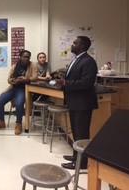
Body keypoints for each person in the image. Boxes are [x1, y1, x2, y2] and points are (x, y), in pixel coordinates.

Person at [55, 36, 98, 170]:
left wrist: (66, 83)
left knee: (82, 133)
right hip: (74, 102)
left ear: (82, 46)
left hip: (83, 103)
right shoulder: (77, 59)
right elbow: (74, 79)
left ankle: (82, 162)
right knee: (76, 132)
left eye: (75, 43)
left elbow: (87, 82)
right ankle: (76, 156)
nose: (72, 44)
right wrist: (62, 83)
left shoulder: (88, 61)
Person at [0, 50, 38, 135]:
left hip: (24, 89)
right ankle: (1, 122)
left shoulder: (32, 65)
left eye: (28, 57)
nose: (26, 59)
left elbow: (35, 77)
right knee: (0, 101)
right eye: (24, 57)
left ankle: (19, 124)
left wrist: (26, 79)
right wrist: (14, 81)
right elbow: (9, 79)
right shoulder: (14, 66)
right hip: (13, 88)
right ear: (20, 57)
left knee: (19, 104)